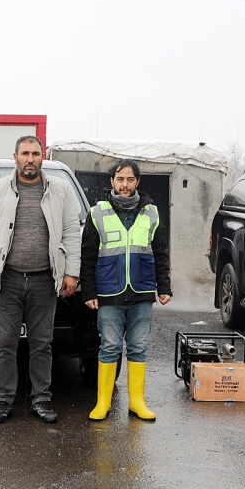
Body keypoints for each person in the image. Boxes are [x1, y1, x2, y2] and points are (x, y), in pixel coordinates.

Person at [0, 136, 81, 424]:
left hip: (45, 279)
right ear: (15, 157)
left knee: (42, 343)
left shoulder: (60, 190)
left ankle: (41, 399)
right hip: (7, 280)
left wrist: (72, 272)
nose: (30, 159)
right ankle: (3, 400)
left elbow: (71, 231)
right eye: (25, 154)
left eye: (35, 153)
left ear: (42, 156)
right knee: (4, 342)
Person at [80, 159, 172, 420]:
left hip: (142, 292)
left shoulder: (151, 212)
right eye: (120, 179)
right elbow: (87, 256)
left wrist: (163, 286)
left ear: (137, 182)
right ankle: (103, 403)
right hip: (109, 294)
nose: (125, 184)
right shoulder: (97, 213)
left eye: (130, 179)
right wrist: (89, 292)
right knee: (109, 346)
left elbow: (161, 252)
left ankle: (137, 402)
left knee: (138, 347)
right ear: (112, 181)